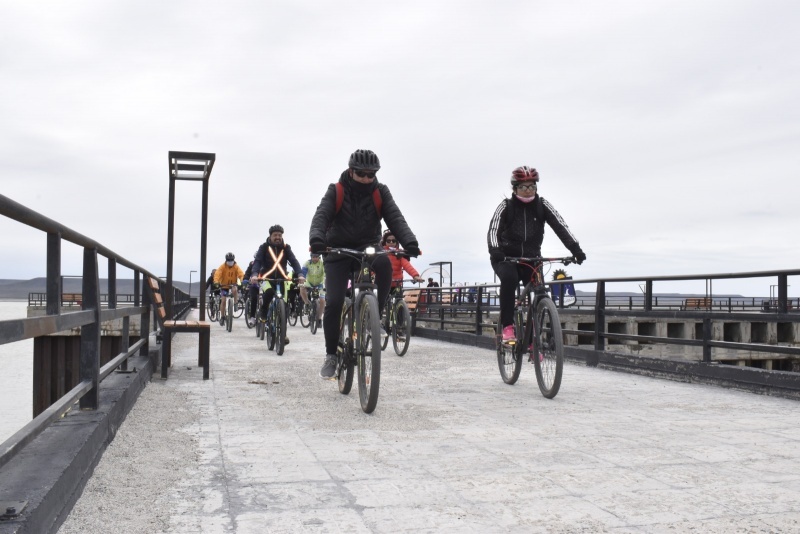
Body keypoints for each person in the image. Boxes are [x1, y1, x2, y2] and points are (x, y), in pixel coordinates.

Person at [309, 149, 421, 379]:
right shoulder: (336, 190)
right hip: (338, 250)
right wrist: (318, 240)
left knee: (385, 264)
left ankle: (375, 316)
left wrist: (409, 242)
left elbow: (395, 217)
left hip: (368, 246)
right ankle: (331, 355)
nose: (367, 179)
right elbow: (321, 215)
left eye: (371, 174)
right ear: (351, 171)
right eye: (362, 174)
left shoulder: (380, 192)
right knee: (334, 302)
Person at [487, 166, 586, 341]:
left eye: (531, 186)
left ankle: (534, 339)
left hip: (532, 258)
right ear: (515, 188)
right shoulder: (506, 206)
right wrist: (496, 251)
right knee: (509, 279)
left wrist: (575, 249)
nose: (527, 191)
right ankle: (508, 327)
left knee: (539, 292)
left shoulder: (542, 205)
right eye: (523, 187)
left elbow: (560, 226)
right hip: (506, 257)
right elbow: (493, 229)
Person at [248, 225, 304, 343]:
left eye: (279, 235)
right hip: (265, 278)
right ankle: (263, 311)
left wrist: (300, 274)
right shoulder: (263, 247)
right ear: (270, 236)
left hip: (282, 279)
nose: (278, 237)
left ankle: (283, 335)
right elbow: (257, 262)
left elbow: (294, 261)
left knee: (284, 305)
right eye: (275, 235)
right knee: (268, 292)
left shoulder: (286, 248)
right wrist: (254, 274)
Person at [213, 253, 245, 326]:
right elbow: (217, 274)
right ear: (226, 260)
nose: (230, 262)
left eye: (231, 260)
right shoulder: (222, 267)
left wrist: (243, 280)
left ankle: (236, 303)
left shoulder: (236, 266)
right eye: (228, 260)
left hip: (233, 284)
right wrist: (216, 282)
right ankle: (222, 317)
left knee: (235, 289)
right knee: (223, 300)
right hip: (224, 286)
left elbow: (241, 274)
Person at [300, 253, 326, 329]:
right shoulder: (307, 263)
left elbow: (326, 274)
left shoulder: (322, 263)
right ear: (311, 257)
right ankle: (307, 303)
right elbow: (303, 274)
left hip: (320, 284)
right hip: (309, 282)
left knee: (322, 300)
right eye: (313, 257)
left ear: (319, 257)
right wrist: (302, 282)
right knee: (302, 288)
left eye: (316, 257)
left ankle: (319, 318)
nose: (314, 259)